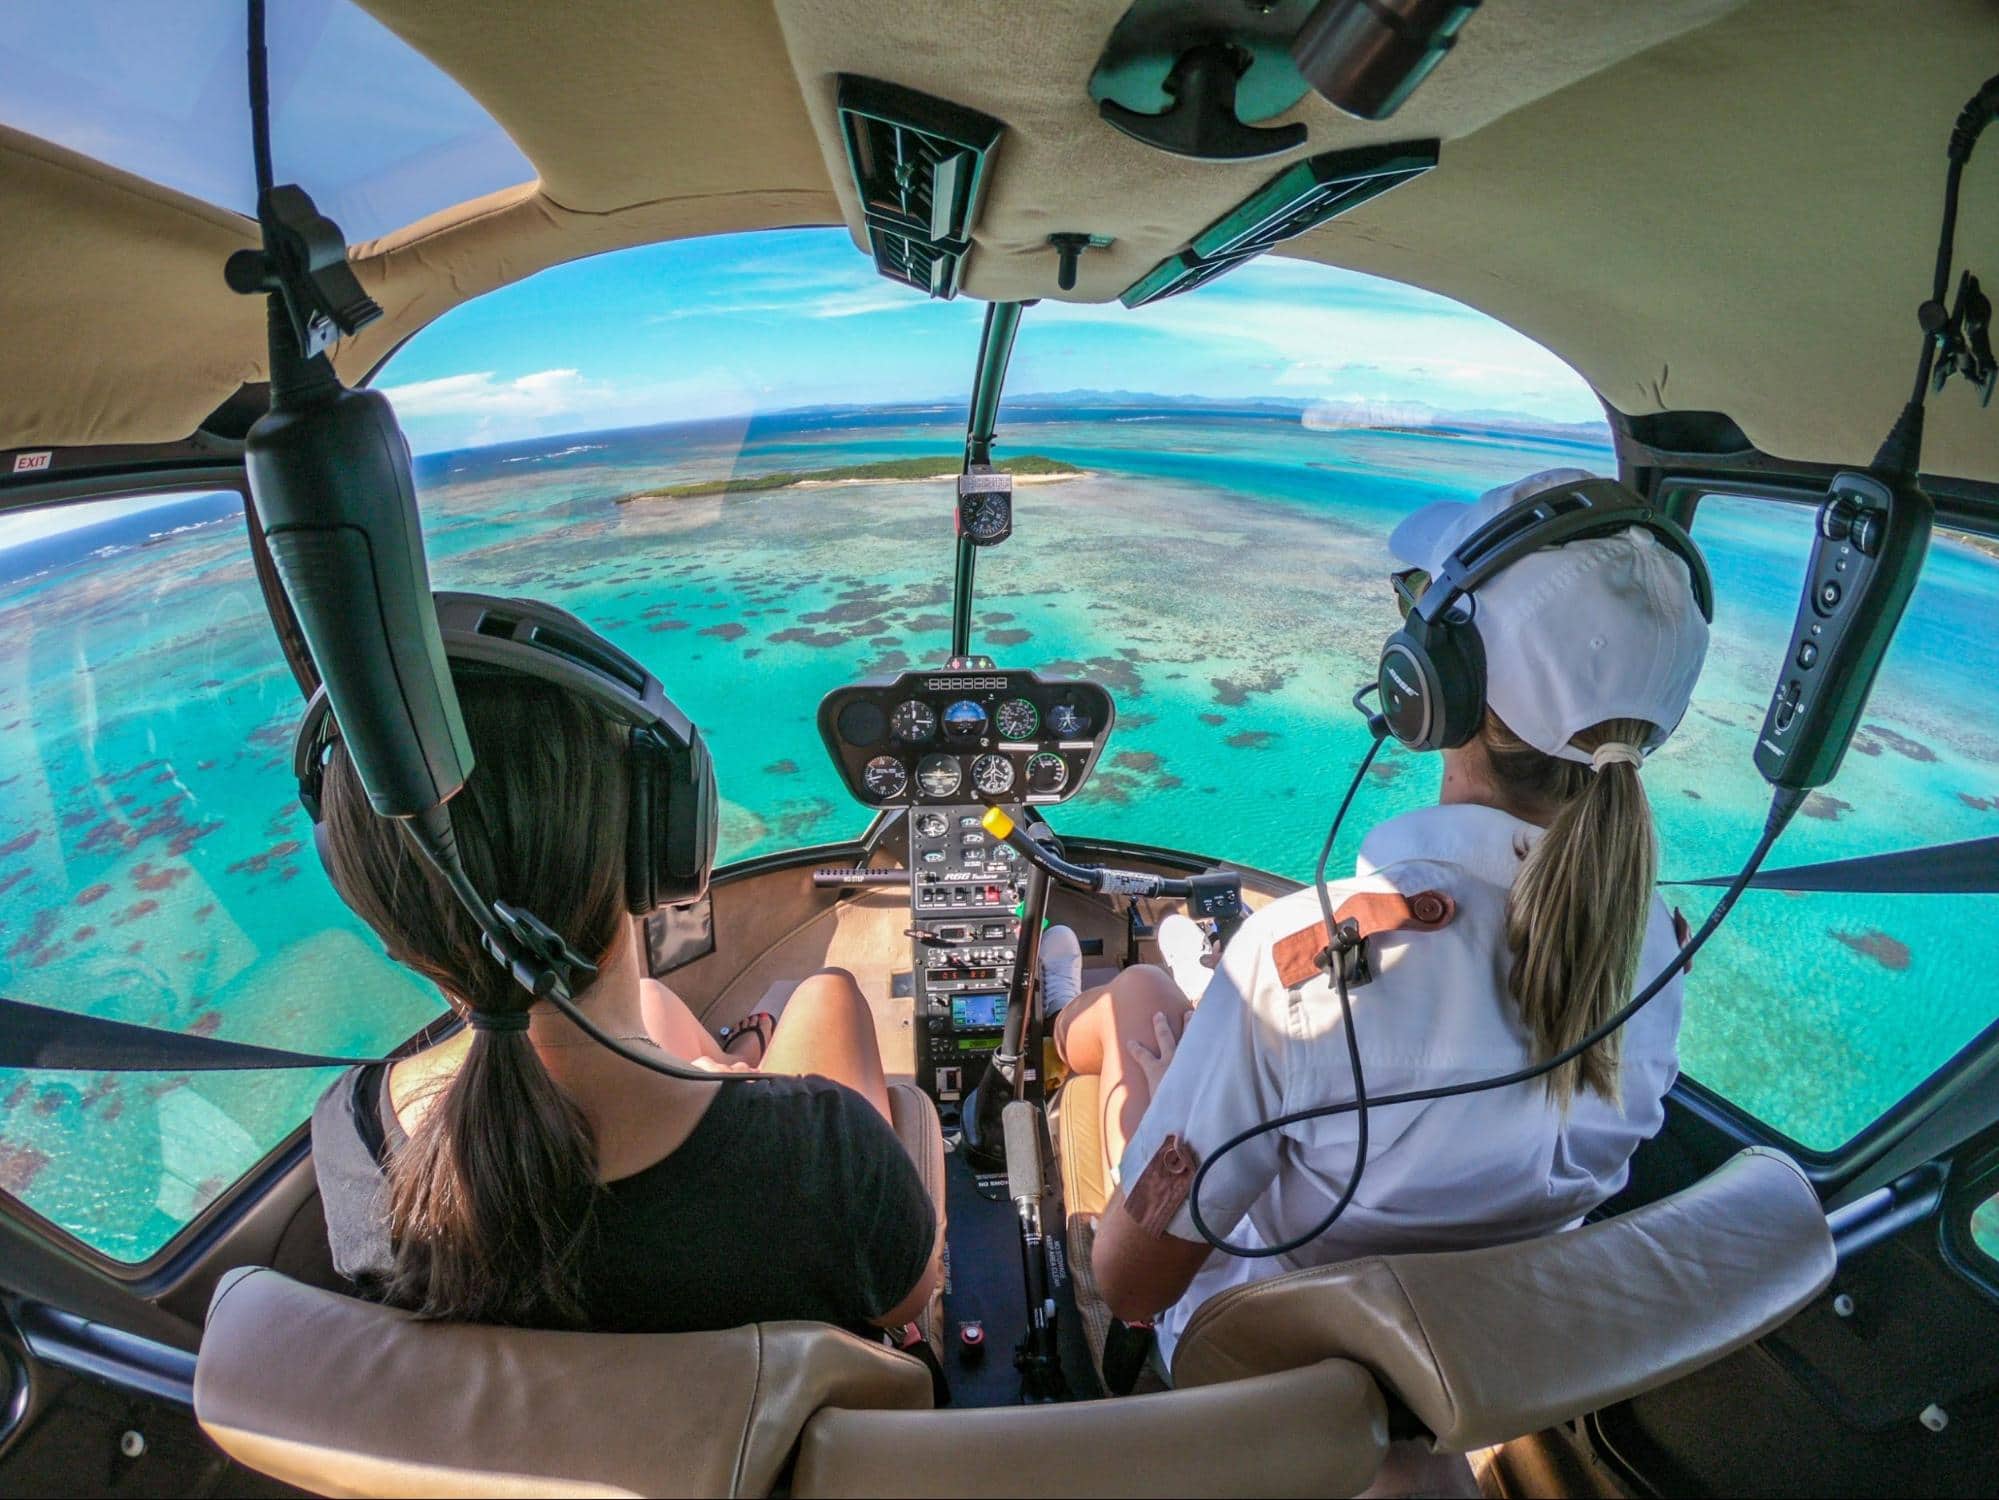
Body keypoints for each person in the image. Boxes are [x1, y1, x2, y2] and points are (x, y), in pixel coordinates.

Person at [1056, 467, 1710, 1370]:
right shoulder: (1660, 949)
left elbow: (1132, 1286)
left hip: (1279, 1360)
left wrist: (1171, 1109)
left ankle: (1054, 1025)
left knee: (1132, 1002)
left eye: (1419, 609)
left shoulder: (1293, 966)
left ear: (1432, 684)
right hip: (1485, 1354)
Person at [309, 666, 941, 1339]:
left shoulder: (351, 1129)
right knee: (827, 994)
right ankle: (735, 1065)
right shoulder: (821, 1151)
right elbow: (904, 1304)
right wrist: (751, 1104)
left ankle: (733, 1056)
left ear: (384, 913)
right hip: (781, 1431)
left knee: (652, 1003)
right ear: (660, 847)